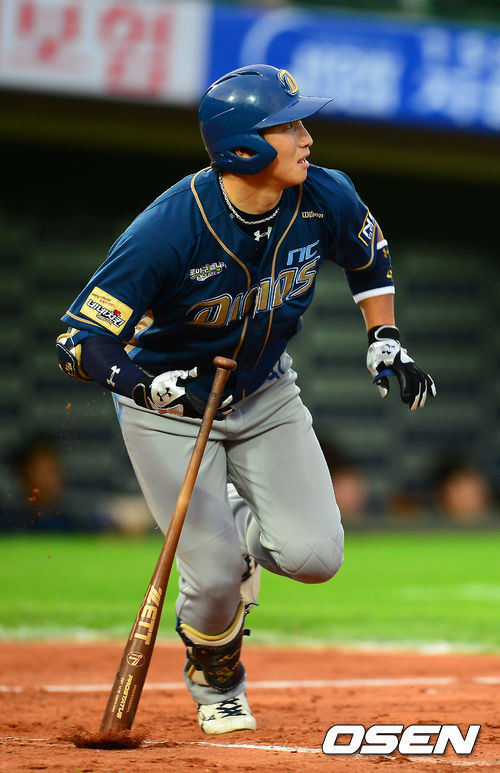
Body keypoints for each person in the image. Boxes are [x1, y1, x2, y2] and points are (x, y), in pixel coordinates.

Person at [56, 64, 436, 735]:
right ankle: (217, 678)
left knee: (316, 558)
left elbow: (368, 258)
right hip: (167, 405)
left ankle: (232, 529)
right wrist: (144, 385)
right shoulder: (167, 229)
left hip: (264, 391)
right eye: (288, 126)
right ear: (242, 147)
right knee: (210, 578)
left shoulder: (325, 194)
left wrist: (385, 339)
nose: (306, 138)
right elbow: (78, 341)